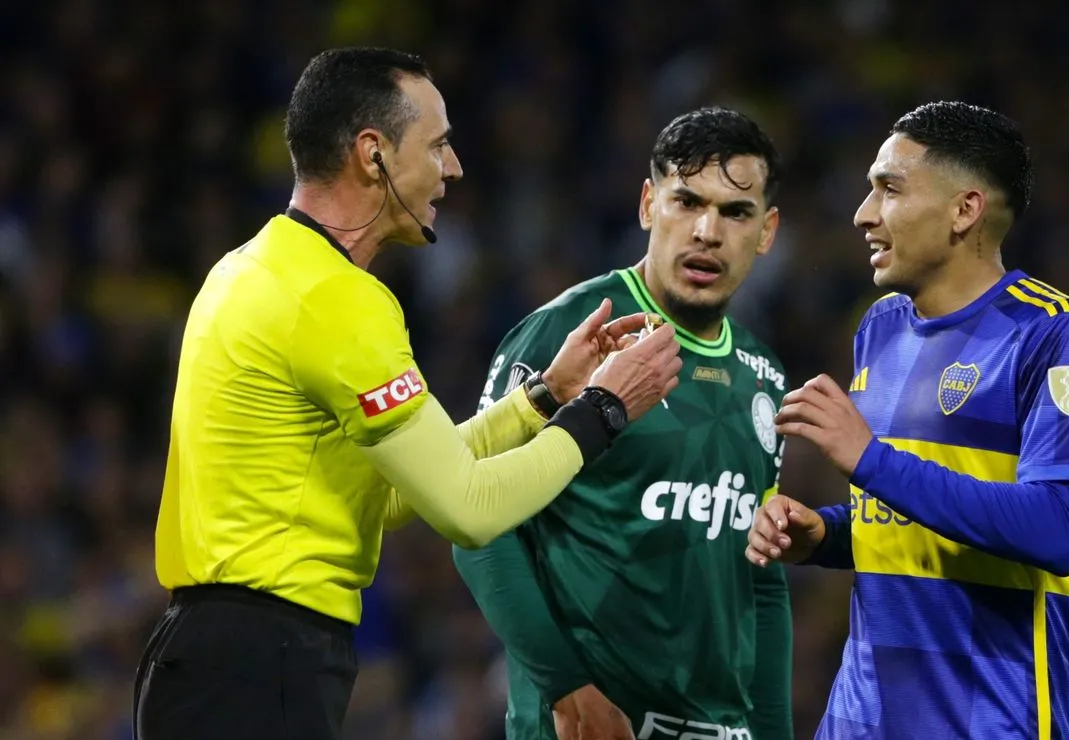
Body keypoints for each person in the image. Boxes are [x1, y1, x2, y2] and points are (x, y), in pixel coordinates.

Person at [132, 47, 682, 740]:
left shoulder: (251, 270)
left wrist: (541, 399)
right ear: (374, 155)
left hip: (215, 656)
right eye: (439, 145)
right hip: (259, 664)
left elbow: (395, 491)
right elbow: (469, 508)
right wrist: (605, 409)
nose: (452, 168)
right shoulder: (337, 299)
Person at [746, 101, 1069, 739]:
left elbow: (1059, 530)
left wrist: (869, 459)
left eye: (888, 189)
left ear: (964, 210)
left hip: (987, 721)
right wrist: (826, 536)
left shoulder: (1054, 335)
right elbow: (905, 511)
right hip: (858, 720)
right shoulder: (880, 327)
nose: (863, 214)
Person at [454, 106, 794, 740]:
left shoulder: (765, 375)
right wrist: (566, 689)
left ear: (766, 231)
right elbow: (477, 527)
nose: (706, 231)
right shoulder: (571, 331)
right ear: (647, 206)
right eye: (686, 201)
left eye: (735, 212)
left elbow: (761, 579)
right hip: (588, 725)